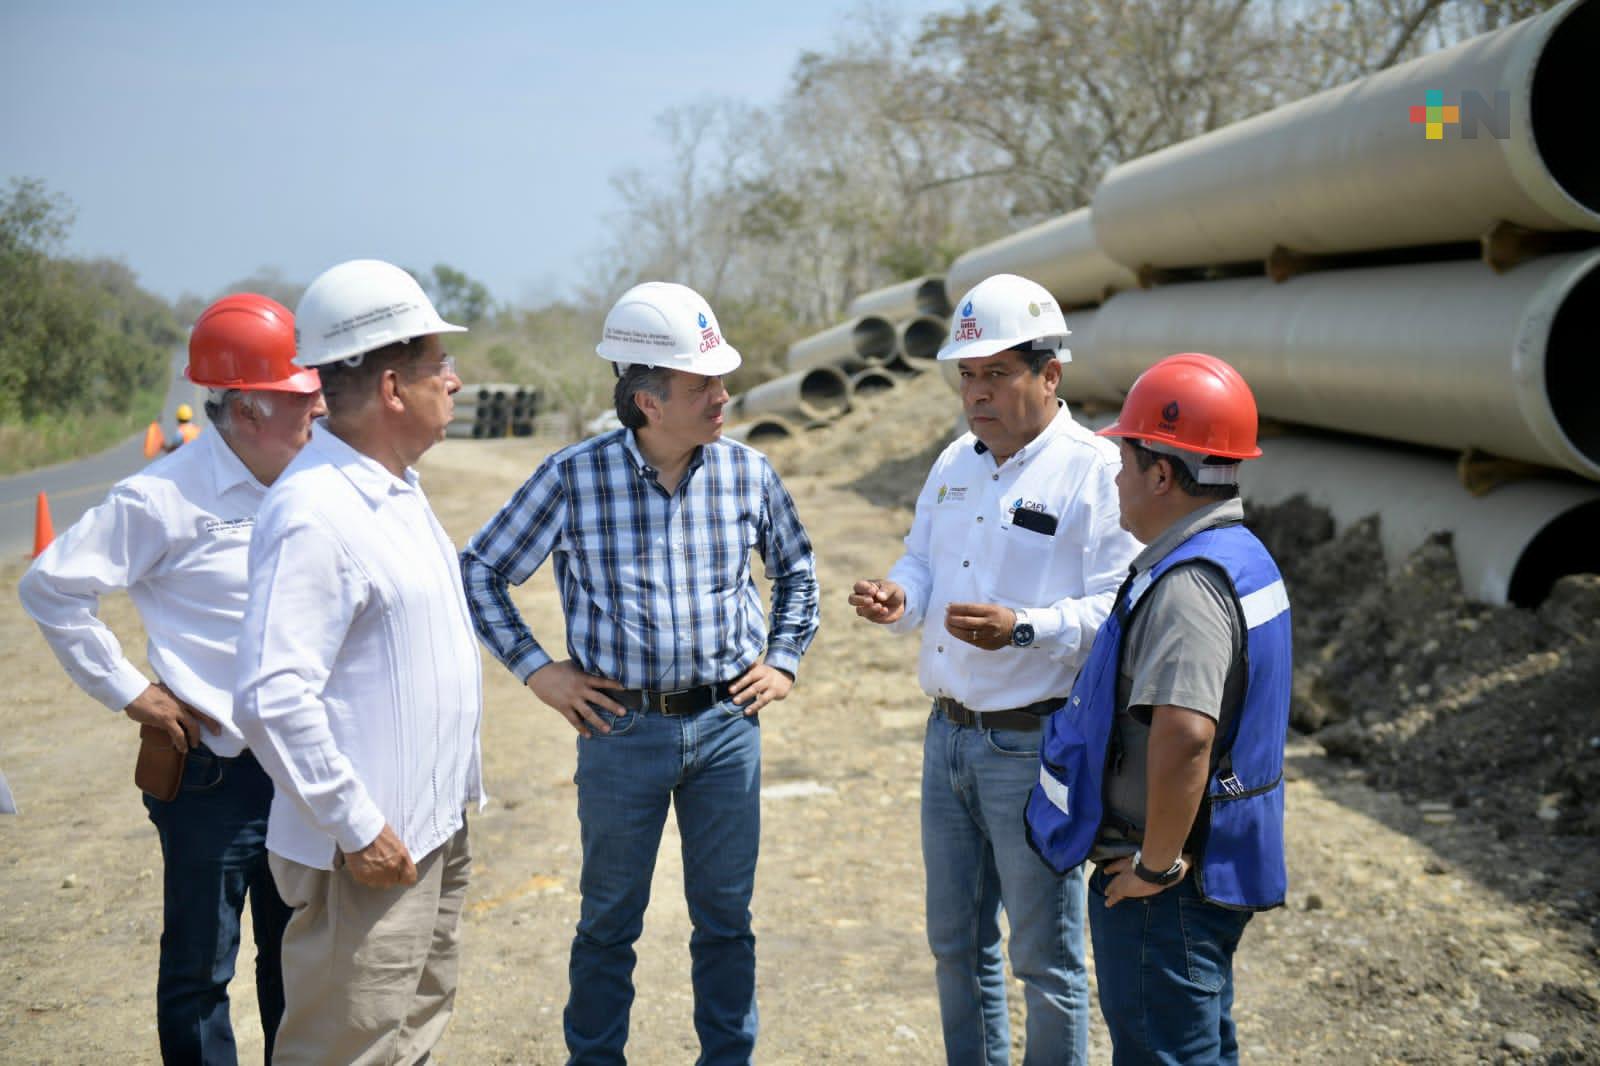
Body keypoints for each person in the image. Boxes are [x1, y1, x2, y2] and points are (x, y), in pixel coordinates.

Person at [460, 281, 820, 1064]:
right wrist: (538, 672)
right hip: (620, 731)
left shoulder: (747, 473)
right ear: (648, 401)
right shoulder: (571, 477)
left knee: (726, 920)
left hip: (728, 730)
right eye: (705, 385)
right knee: (609, 922)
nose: (724, 395)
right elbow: (480, 571)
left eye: (721, 381)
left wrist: (784, 660)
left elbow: (797, 570)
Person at [18, 293, 325, 1064]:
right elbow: (51, 587)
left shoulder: (312, 482)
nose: (319, 411)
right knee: (199, 969)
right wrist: (131, 691)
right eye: (302, 400)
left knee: (298, 963)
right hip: (215, 781)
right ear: (248, 408)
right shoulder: (163, 495)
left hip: (304, 771)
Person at [848, 273, 1139, 1065]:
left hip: (1032, 747)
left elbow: (1121, 611)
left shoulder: (1093, 473)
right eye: (967, 376)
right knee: (956, 945)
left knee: (1045, 958)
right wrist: (898, 596)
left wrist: (1025, 631)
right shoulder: (956, 463)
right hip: (947, 743)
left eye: (997, 374)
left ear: (1051, 374)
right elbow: (922, 561)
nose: (976, 394)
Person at [231, 259, 484, 1066]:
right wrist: (358, 824)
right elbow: (273, 696)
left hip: (429, 828)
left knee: (409, 1033)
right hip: (368, 857)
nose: (455, 379)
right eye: (438, 365)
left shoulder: (394, 488)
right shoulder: (316, 511)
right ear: (390, 385)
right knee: (346, 1048)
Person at [1025, 352, 1293, 1066]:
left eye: (1124, 461)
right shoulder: (1243, 554)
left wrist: (1156, 865)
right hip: (1214, 863)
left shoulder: (1187, 590)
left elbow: (1185, 738)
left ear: (1162, 474)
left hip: (1169, 887)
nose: (1115, 480)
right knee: (1197, 1045)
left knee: (1162, 1052)